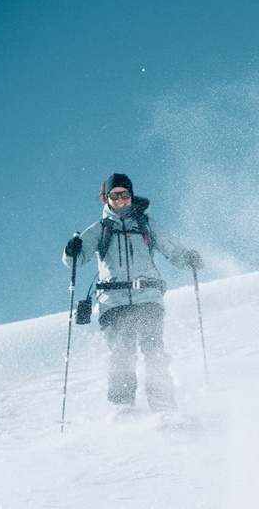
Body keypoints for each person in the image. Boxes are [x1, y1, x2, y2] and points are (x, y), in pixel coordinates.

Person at [62, 173, 203, 417]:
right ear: (106, 199)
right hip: (113, 304)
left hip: (148, 298)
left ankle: (163, 404)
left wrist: (188, 258)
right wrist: (71, 250)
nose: (120, 201)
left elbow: (173, 249)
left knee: (154, 352)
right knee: (122, 354)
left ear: (131, 196)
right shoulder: (100, 229)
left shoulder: (146, 225)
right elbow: (75, 259)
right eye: (114, 196)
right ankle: (122, 405)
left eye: (125, 195)